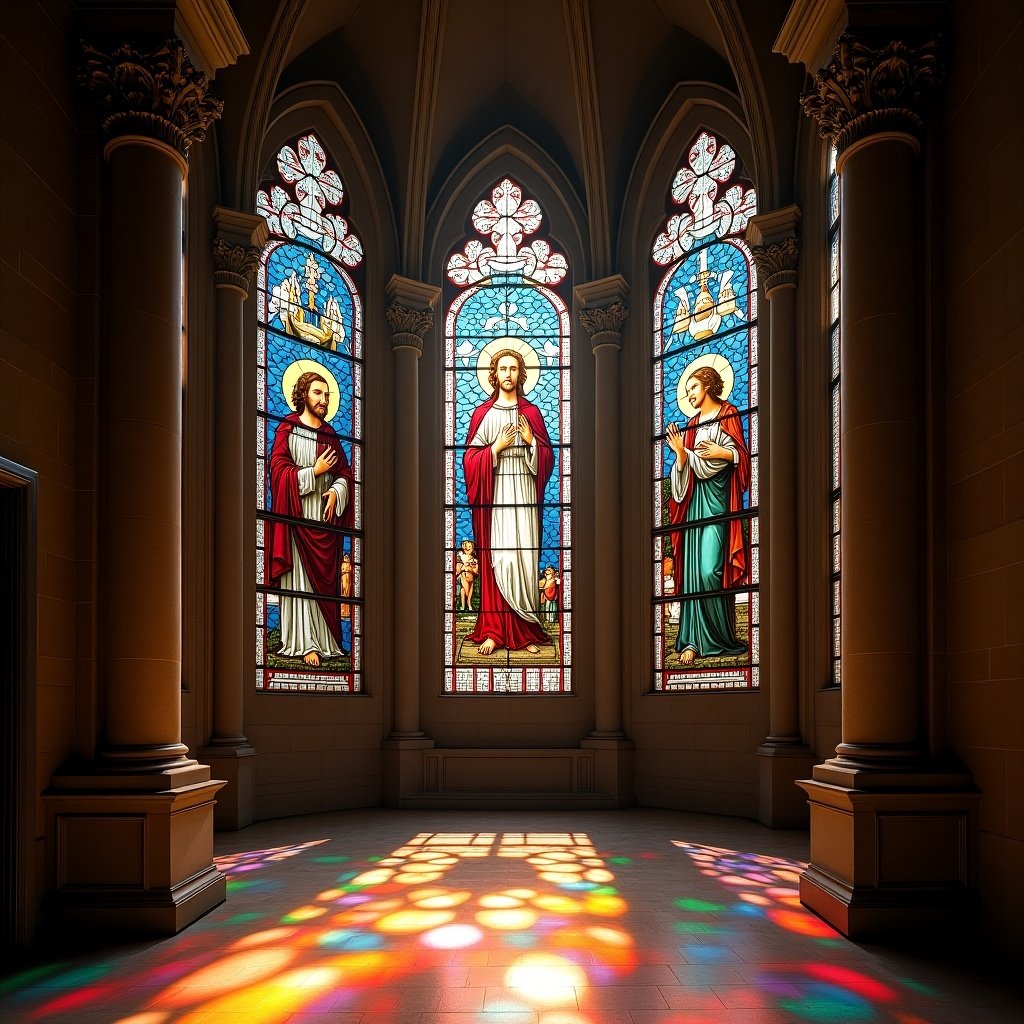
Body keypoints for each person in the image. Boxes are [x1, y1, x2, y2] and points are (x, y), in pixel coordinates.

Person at [463, 348, 553, 656]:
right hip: (497, 492)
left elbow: (547, 458)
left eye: (514, 369)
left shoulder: (532, 413)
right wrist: (494, 449)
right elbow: (470, 460)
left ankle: (525, 630)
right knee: (499, 558)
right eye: (503, 369)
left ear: (521, 374)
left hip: (524, 491)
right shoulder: (482, 414)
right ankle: (493, 630)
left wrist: (531, 444)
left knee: (524, 559)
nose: (508, 374)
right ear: (494, 374)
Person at [268, 370, 353, 667]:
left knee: (325, 585)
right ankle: (302, 643)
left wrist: (336, 491)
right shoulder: (288, 428)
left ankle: (327, 642)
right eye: (318, 393)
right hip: (297, 516)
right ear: (303, 393)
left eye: (327, 394)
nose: (323, 399)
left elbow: (345, 473)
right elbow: (277, 471)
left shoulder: (330, 434)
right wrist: (312, 473)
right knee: (300, 582)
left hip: (325, 522)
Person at [666, 365, 749, 666]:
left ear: (708, 385)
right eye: (686, 390)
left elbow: (738, 457)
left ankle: (719, 638)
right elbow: (680, 481)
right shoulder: (691, 424)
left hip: (717, 504)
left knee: (709, 571)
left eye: (693, 388)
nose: (689, 394)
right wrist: (681, 456)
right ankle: (692, 640)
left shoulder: (729, 413)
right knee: (691, 574)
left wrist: (722, 453)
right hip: (692, 506)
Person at [455, 539, 479, 611]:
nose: (468, 548)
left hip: (471, 577)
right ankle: (463, 605)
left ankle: (469, 603)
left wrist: (471, 568)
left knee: (470, 590)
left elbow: (477, 571)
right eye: (466, 546)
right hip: (463, 577)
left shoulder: (474, 559)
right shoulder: (461, 558)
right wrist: (463, 567)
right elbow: (457, 570)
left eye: (470, 547)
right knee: (463, 590)